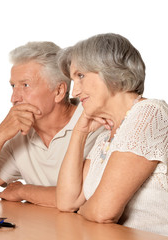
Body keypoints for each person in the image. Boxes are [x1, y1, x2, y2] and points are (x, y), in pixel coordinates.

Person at [0, 42, 103, 206]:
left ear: (58, 91)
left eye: (25, 85)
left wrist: (23, 191)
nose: (14, 98)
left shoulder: (94, 123)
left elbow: (82, 197)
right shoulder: (20, 137)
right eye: (13, 86)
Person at [56, 33, 168, 236]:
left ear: (112, 70)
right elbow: (67, 201)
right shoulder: (105, 137)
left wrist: (85, 210)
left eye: (80, 76)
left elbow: (103, 212)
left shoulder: (150, 113)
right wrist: (79, 133)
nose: (74, 92)